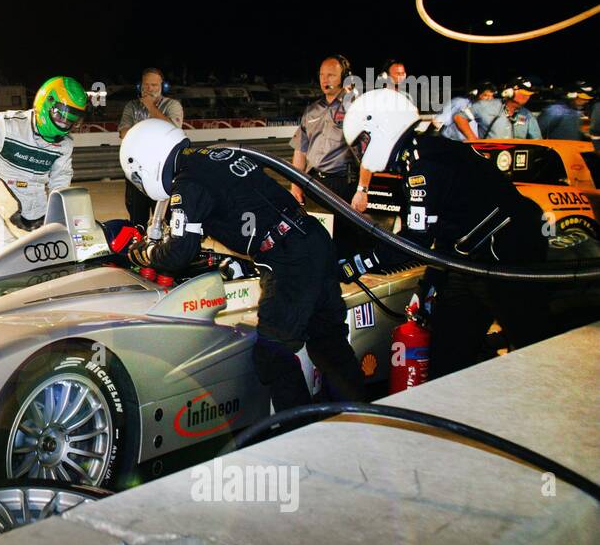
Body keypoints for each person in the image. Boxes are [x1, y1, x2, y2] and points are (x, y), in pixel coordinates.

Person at [120, 119, 365, 413]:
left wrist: (143, 253)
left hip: (288, 257)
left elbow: (177, 254)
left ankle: (301, 433)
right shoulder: (213, 156)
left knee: (272, 353)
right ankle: (361, 419)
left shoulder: (187, 183)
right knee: (328, 343)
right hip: (312, 240)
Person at [344, 89, 549, 380]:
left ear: (382, 128)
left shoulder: (424, 166)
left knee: (533, 345)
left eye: (364, 140)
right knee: (447, 354)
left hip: (509, 252)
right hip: (472, 255)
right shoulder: (421, 155)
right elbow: (442, 229)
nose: (362, 150)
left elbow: (416, 241)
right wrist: (430, 283)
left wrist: (357, 264)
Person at [0, 76, 86, 257]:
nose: (65, 123)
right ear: (46, 103)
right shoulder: (8, 124)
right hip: (3, 215)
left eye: (70, 120)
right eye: (61, 115)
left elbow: (60, 184)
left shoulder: (65, 145)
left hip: (39, 214)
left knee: (39, 274)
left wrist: (59, 218)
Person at [289, 55, 364, 254]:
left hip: (342, 184)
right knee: (314, 239)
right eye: (322, 75)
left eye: (331, 75)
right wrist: (295, 184)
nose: (325, 79)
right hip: (312, 184)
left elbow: (368, 151)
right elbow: (300, 150)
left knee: (343, 243)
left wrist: (363, 189)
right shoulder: (312, 110)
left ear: (345, 76)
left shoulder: (355, 108)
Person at [118, 68, 185, 228]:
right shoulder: (131, 106)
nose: (149, 89)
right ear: (140, 86)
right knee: (137, 221)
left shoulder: (173, 105)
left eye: (154, 85)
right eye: (146, 85)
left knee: (165, 220)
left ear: (163, 86)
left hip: (163, 170)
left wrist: (150, 108)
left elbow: (173, 130)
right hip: (136, 171)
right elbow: (123, 133)